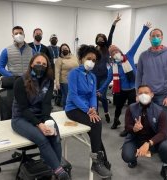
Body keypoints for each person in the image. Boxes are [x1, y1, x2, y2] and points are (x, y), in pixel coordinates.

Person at [11, 53, 70, 180]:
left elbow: (46, 104)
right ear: (31, 64)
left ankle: (53, 168)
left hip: (41, 114)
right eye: (38, 63)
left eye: (44, 64)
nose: (40, 66)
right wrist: (39, 124)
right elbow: (24, 109)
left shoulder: (48, 80)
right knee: (42, 139)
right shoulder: (20, 81)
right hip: (21, 118)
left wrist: (45, 120)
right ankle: (59, 172)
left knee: (55, 135)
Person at [65, 45, 112, 178]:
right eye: (88, 58)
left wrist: (93, 110)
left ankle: (103, 162)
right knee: (96, 124)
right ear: (81, 59)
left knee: (95, 132)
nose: (91, 62)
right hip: (73, 109)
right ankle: (98, 162)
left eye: (94, 59)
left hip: (88, 109)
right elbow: (73, 96)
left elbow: (92, 95)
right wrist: (88, 110)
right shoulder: (73, 73)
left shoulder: (93, 76)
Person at [97, 22, 151, 137]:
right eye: (113, 53)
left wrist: (144, 30)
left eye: (116, 51)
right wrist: (100, 90)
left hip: (132, 89)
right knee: (118, 108)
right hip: (121, 90)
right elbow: (107, 80)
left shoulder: (129, 56)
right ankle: (116, 120)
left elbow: (137, 42)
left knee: (131, 110)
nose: (115, 53)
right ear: (111, 56)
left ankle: (128, 128)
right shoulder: (114, 67)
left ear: (120, 51)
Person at [121, 85, 167, 180]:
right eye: (140, 93)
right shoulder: (131, 108)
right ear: (137, 95)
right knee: (127, 156)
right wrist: (134, 128)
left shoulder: (160, 111)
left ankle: (166, 168)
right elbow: (127, 127)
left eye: (146, 93)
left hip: (153, 141)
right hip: (136, 139)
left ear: (152, 95)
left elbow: (163, 133)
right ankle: (134, 159)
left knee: (166, 146)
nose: (143, 95)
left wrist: (148, 144)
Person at [136, 28, 167, 126]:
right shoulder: (143, 56)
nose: (155, 38)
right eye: (153, 36)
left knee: (163, 123)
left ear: (162, 37)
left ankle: (163, 141)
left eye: (158, 36)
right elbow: (138, 76)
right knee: (146, 122)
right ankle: (148, 141)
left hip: (162, 96)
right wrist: (137, 93)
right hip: (145, 95)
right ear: (149, 38)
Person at [93, 13, 121, 123]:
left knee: (102, 95)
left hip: (104, 76)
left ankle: (106, 111)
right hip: (94, 75)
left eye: (102, 39)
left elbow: (111, 35)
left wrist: (114, 23)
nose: (100, 40)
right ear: (96, 40)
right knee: (94, 95)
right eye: (98, 39)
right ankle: (96, 113)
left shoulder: (107, 47)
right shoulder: (94, 49)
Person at [54, 43, 79, 109]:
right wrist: (57, 83)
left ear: (69, 49)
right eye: (63, 49)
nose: (65, 49)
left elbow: (79, 67)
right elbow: (57, 72)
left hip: (75, 80)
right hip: (65, 81)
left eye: (66, 48)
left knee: (74, 95)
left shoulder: (74, 57)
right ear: (61, 51)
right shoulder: (59, 60)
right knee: (67, 96)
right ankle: (65, 110)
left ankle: (72, 109)